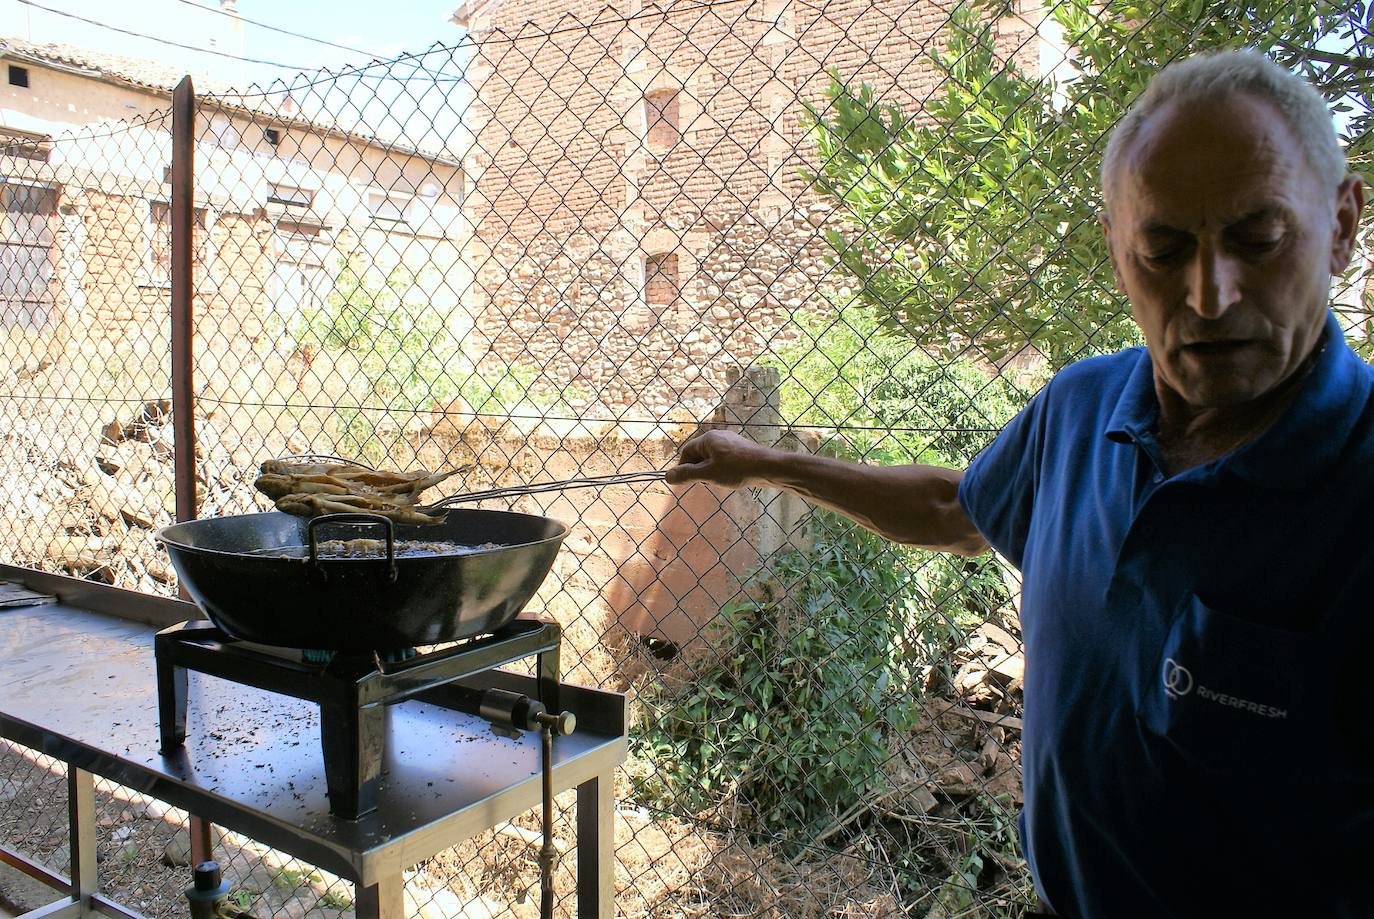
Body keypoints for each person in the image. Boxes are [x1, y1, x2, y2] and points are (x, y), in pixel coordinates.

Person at [666, 49, 1368, 918]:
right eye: (1163, 247)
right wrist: (764, 462)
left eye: (1258, 238)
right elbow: (951, 507)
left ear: (1341, 224)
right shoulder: (1080, 407)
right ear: (1118, 252)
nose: (1210, 293)